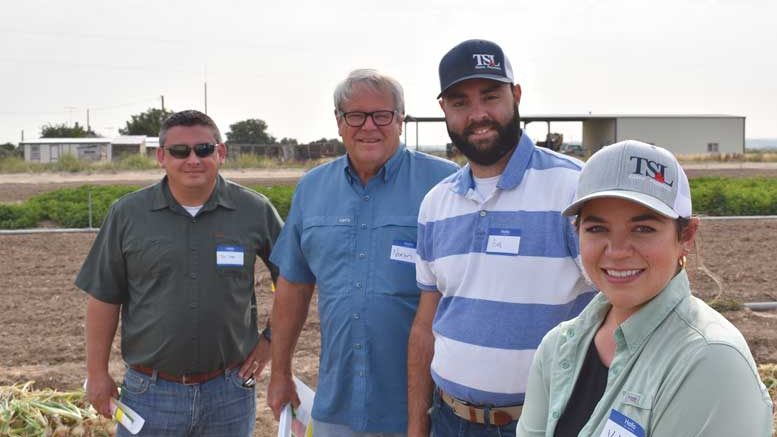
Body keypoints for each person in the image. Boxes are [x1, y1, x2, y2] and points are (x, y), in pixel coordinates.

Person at [516, 140, 774, 436]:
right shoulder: (558, 347)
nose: (617, 251)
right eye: (597, 228)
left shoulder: (712, 360)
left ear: (686, 236)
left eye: (643, 228)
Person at [407, 39, 596, 437]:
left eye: (490, 96)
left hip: (545, 423)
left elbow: (626, 312)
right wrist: (416, 426)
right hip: (449, 420)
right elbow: (426, 327)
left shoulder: (575, 189)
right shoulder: (436, 205)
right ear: (444, 110)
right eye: (460, 102)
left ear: (516, 96)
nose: (478, 115)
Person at [267, 69, 458, 436]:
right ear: (339, 122)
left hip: (423, 409)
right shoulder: (312, 189)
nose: (368, 126)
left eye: (382, 115)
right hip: (336, 406)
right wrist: (279, 374)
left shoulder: (443, 185)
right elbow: (293, 289)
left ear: (400, 120)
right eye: (355, 115)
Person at [76, 110, 283, 437]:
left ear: (221, 152)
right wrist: (97, 373)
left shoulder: (255, 211)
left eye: (203, 149)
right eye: (179, 151)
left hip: (229, 392)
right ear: (161, 156)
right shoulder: (128, 214)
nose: (193, 160)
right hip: (150, 394)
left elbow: (290, 280)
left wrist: (271, 341)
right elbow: (103, 297)